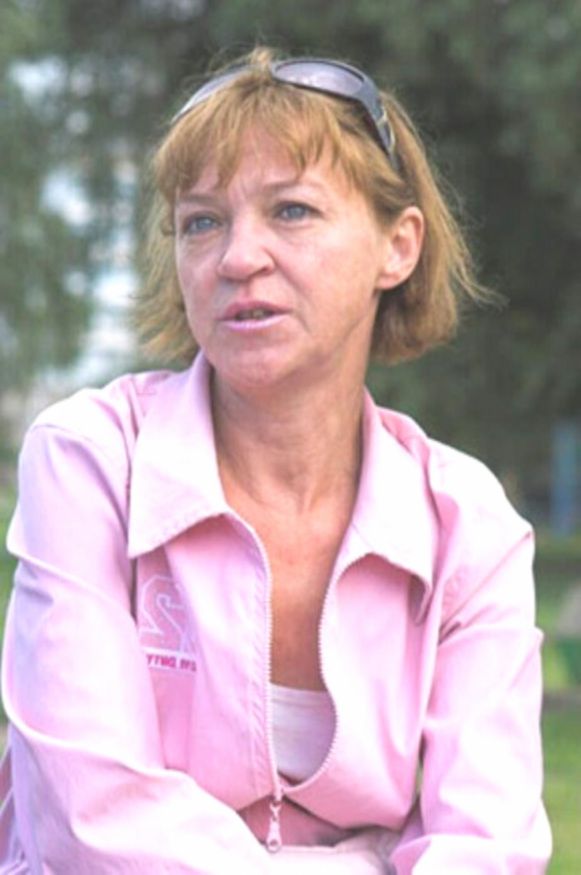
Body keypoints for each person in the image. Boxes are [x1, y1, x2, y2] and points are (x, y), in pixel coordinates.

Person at [0, 46, 551, 872]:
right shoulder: (90, 461)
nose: (236, 257)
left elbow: (486, 847)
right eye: (201, 221)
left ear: (397, 247)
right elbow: (93, 828)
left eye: (290, 210)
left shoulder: (469, 530)